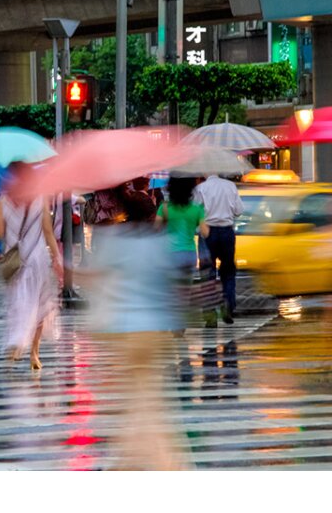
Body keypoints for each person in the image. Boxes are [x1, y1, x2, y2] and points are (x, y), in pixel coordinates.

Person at [79, 190, 190, 470]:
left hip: (125, 331)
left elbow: (96, 277)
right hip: (154, 331)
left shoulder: (116, 241)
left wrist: (67, 271)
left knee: (139, 399)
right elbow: (172, 283)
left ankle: (148, 461)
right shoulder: (161, 242)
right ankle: (153, 460)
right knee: (148, 398)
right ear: (151, 214)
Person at [0, 163, 63, 370]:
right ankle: (34, 353)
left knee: (18, 304)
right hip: (37, 260)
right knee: (40, 307)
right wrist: (57, 258)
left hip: (15, 261)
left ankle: (16, 343)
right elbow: (48, 232)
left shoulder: (3, 200)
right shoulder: (40, 198)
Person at [193, 174, 244, 325]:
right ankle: (228, 304)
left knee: (207, 274)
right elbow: (239, 210)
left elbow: (196, 211)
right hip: (227, 232)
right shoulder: (230, 186)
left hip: (207, 232)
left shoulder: (201, 188)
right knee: (228, 270)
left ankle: (210, 315)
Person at [156, 176, 209, 275]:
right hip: (189, 253)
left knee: (172, 288)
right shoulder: (197, 209)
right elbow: (205, 233)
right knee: (186, 289)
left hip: (170, 253)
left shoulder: (164, 208)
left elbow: (156, 230)